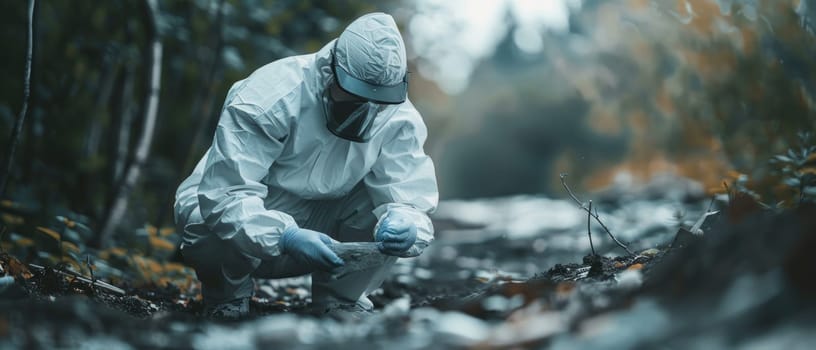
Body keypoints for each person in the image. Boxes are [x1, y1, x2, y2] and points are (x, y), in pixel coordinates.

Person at [173, 12, 438, 320]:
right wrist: (285, 235)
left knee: (386, 207)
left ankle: (340, 301)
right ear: (332, 72)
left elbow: (408, 195)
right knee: (204, 219)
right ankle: (226, 299)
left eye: (379, 101)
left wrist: (406, 223)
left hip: (321, 232)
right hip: (247, 225)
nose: (368, 111)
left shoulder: (398, 118)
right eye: (356, 97)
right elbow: (225, 194)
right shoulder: (271, 96)